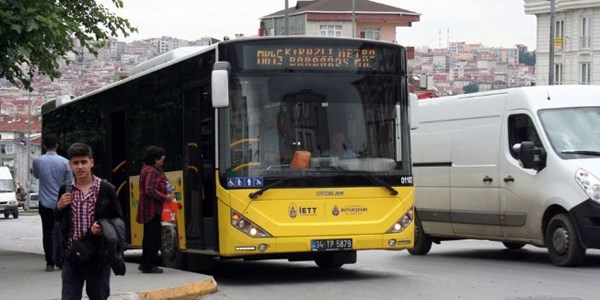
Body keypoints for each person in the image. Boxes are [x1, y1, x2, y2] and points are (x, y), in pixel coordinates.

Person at [54, 143, 123, 300]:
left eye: (84, 162)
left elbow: (118, 219)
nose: (80, 167)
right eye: (76, 163)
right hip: (71, 255)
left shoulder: (106, 189)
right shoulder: (65, 189)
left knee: (98, 296)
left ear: (91, 162)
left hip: (97, 256)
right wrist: (58, 206)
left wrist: (103, 228)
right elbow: (57, 220)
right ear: (70, 165)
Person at [32, 133, 72, 272]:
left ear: (44, 146)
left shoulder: (37, 161)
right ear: (57, 146)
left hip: (45, 202)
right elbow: (69, 183)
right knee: (64, 230)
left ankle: (49, 262)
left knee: (47, 232)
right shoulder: (65, 162)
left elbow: (36, 175)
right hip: (63, 202)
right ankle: (62, 259)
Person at [136, 146, 177, 274]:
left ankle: (145, 263)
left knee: (149, 236)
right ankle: (149, 264)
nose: (163, 160)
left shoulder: (150, 169)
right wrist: (165, 197)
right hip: (152, 209)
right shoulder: (151, 171)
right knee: (153, 237)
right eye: (162, 158)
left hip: (151, 208)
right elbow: (149, 189)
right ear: (156, 159)